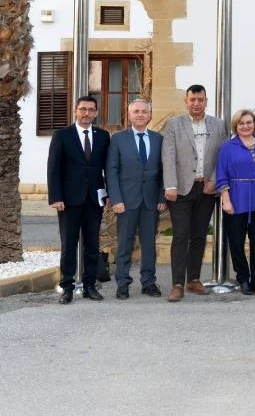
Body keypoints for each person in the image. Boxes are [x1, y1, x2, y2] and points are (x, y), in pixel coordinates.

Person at [161, 85, 228, 302]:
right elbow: (168, 156)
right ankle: (177, 283)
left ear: (206, 101)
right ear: (186, 101)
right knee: (181, 235)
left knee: (199, 235)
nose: (196, 103)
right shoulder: (174, 124)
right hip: (181, 189)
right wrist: (169, 185)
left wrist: (215, 181)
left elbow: (223, 155)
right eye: (192, 100)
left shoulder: (218, 125)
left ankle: (194, 279)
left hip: (206, 188)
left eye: (200, 99)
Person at [47, 96, 110, 304]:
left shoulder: (103, 136)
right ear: (75, 111)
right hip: (69, 200)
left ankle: (90, 285)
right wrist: (56, 197)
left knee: (92, 244)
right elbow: (53, 168)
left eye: (91, 110)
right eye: (83, 109)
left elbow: (107, 168)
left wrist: (109, 194)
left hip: (94, 198)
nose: (87, 113)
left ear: (96, 113)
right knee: (69, 244)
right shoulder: (62, 135)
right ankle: (67, 287)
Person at [106, 99, 166, 300]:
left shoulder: (159, 139)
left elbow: (163, 171)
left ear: (149, 115)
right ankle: (122, 283)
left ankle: (148, 283)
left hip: (150, 201)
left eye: (144, 111)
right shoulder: (118, 139)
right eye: (136, 111)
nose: (140, 114)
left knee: (149, 244)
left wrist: (161, 196)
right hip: (126, 200)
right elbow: (111, 171)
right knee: (125, 244)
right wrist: (116, 198)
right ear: (129, 115)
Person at [216, 109, 255, 295]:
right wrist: (226, 200)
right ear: (236, 126)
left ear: (254, 124)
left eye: (249, 122)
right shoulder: (227, 147)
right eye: (241, 123)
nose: (246, 126)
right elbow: (221, 174)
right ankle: (243, 279)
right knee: (237, 243)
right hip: (236, 200)